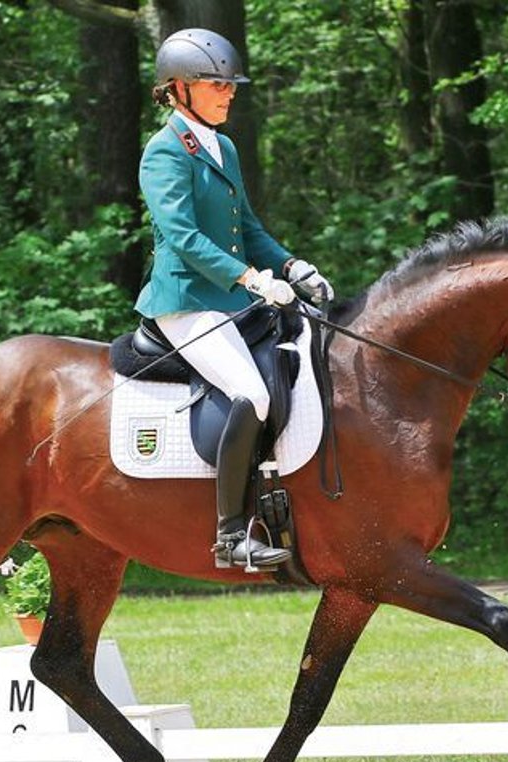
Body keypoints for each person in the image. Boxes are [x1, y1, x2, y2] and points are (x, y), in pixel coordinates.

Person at [136, 27, 334, 571]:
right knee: (253, 392)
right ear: (179, 89)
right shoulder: (162, 153)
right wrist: (253, 279)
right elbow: (184, 238)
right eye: (215, 84)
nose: (228, 94)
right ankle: (229, 537)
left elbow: (246, 226)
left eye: (230, 85)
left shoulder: (222, 146)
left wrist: (293, 265)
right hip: (186, 302)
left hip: (230, 299)